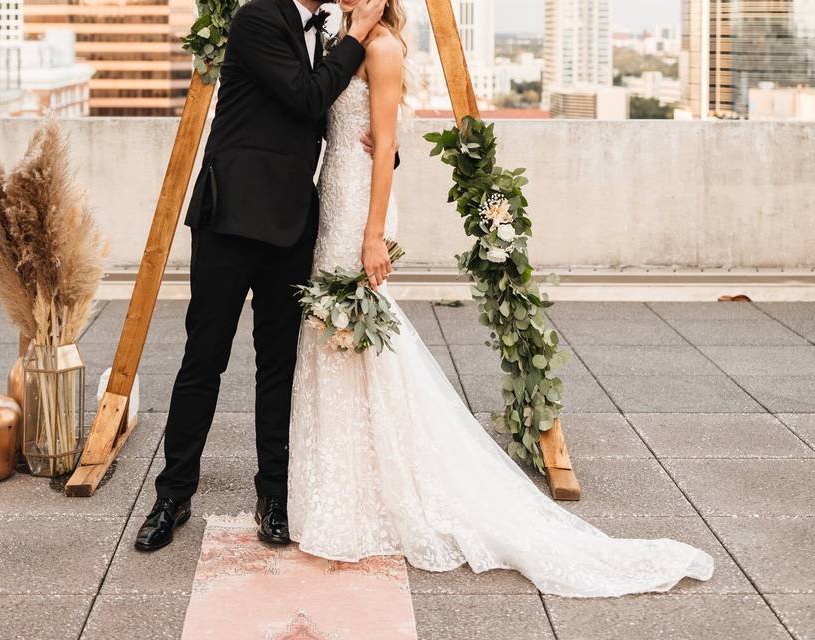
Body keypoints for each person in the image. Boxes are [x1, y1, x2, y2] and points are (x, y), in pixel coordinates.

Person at [285, 0, 716, 597]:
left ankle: (373, 487)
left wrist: (374, 232)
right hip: (332, 192)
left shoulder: (380, 49)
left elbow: (384, 146)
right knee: (330, 335)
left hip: (360, 205)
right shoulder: (336, 36)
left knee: (357, 332)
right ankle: (346, 482)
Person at [135, 0, 389, 552]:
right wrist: (360, 33)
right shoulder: (256, 18)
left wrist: (381, 149)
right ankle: (173, 495)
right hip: (230, 219)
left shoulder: (327, 36)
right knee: (204, 360)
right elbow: (306, 95)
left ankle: (274, 494)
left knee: (279, 366)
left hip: (294, 224)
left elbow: (337, 114)